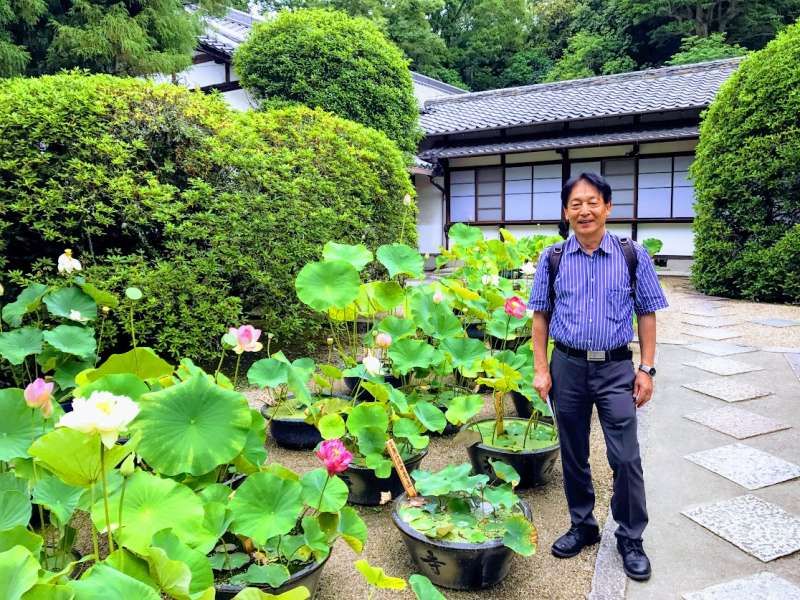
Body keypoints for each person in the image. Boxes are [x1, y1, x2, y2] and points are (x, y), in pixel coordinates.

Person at [528, 172, 668, 581]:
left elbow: (647, 313)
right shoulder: (552, 257)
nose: (584, 210)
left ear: (607, 207)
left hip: (615, 367)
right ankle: (583, 525)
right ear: (566, 211)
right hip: (567, 366)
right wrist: (541, 368)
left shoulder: (632, 254)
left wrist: (646, 368)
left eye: (592, 202)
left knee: (625, 456)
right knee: (573, 452)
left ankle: (630, 536)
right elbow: (540, 316)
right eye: (576, 204)